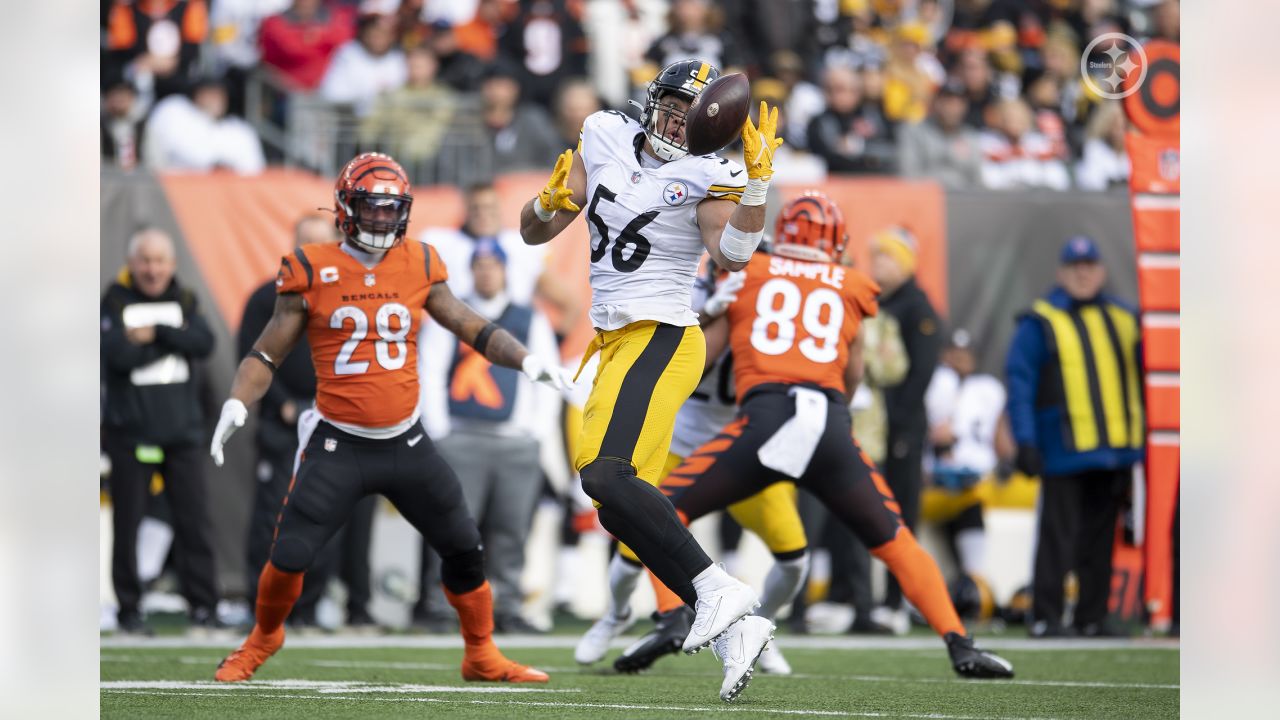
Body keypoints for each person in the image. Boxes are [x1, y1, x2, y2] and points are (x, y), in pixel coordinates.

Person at [209, 151, 570, 683]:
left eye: (389, 209)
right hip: (338, 440)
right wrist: (238, 401)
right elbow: (266, 354)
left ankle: (481, 652)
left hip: (406, 440)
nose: (380, 218)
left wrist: (530, 360)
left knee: (465, 546)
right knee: (288, 554)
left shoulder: (421, 262)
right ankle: (263, 639)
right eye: (370, 208)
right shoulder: (310, 266)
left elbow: (472, 326)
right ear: (345, 207)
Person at [650, 194, 1014, 679]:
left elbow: (702, 360)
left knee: (657, 508)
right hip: (829, 424)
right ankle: (960, 644)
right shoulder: (855, 285)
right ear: (838, 241)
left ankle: (679, 614)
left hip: (767, 418)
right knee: (896, 541)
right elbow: (853, 371)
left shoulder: (750, 275)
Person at [520, 59, 783, 702]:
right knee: (613, 500)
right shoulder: (604, 133)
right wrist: (546, 199)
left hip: (663, 333)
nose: (676, 120)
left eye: (691, 113)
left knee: (607, 476)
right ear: (651, 101)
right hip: (611, 340)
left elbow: (733, 257)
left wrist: (756, 186)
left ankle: (717, 591)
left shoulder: (712, 172)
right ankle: (736, 630)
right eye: (670, 105)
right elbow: (535, 232)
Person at [576, 255, 809, 677]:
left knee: (794, 555)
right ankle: (617, 614)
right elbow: (689, 357)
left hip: (737, 446)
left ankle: (754, 625)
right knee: (622, 521)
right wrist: (713, 312)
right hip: (683, 438)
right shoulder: (691, 297)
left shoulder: (772, 314)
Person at [418, 239, 563, 633]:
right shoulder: (454, 313)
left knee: (511, 530)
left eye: (492, 265)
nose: (486, 272)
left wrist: (535, 432)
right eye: (479, 265)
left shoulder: (527, 317)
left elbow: (545, 373)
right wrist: (439, 431)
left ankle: (507, 605)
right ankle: (442, 605)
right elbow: (429, 369)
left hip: (514, 439)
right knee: (454, 526)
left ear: (504, 270)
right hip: (462, 433)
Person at [1005, 235, 1143, 638]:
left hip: (1114, 450)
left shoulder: (1124, 318)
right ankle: (1046, 615)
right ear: (1061, 273)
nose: (1083, 274)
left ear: (1101, 271)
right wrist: (1025, 441)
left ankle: (1092, 616)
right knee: (1057, 538)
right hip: (1062, 449)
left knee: (1101, 542)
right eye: (1074, 267)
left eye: (1089, 267)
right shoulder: (1040, 321)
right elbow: (1020, 384)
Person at [101, 228, 220, 635]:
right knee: (128, 523)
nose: (153, 269)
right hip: (131, 433)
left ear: (171, 263)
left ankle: (204, 606)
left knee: (194, 522)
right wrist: (175, 339)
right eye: (145, 261)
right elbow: (116, 354)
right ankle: (129, 609)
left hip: (181, 433)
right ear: (132, 263)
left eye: (159, 261)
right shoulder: (114, 300)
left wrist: (156, 333)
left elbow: (204, 342)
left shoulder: (185, 298)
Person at [237, 214, 353, 633]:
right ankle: (261, 604)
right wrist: (284, 403)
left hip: (333, 421)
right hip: (285, 423)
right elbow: (252, 356)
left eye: (320, 243)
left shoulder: (348, 295)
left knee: (327, 514)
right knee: (274, 515)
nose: (311, 251)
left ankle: (311, 603)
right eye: (304, 242)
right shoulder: (265, 297)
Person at [870, 226, 944, 633]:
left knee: (901, 514)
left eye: (885, 256)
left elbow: (919, 375)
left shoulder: (916, 308)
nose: (877, 263)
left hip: (902, 429)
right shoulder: (883, 301)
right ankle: (876, 600)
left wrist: (898, 423)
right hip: (880, 427)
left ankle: (898, 601)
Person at [923, 329, 1008, 599]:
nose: (958, 360)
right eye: (953, 353)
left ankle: (973, 584)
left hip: (976, 478)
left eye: (964, 355)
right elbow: (936, 435)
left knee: (970, 495)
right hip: (933, 481)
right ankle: (968, 584)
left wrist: (1007, 463)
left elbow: (1000, 437)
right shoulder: (935, 382)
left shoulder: (988, 389)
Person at [143, 75, 265, 174]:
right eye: (210, 93)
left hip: (231, 195)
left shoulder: (239, 129)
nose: (216, 99)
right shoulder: (175, 110)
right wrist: (213, 166)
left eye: (220, 94)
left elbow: (254, 168)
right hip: (179, 192)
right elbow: (180, 150)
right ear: (197, 94)